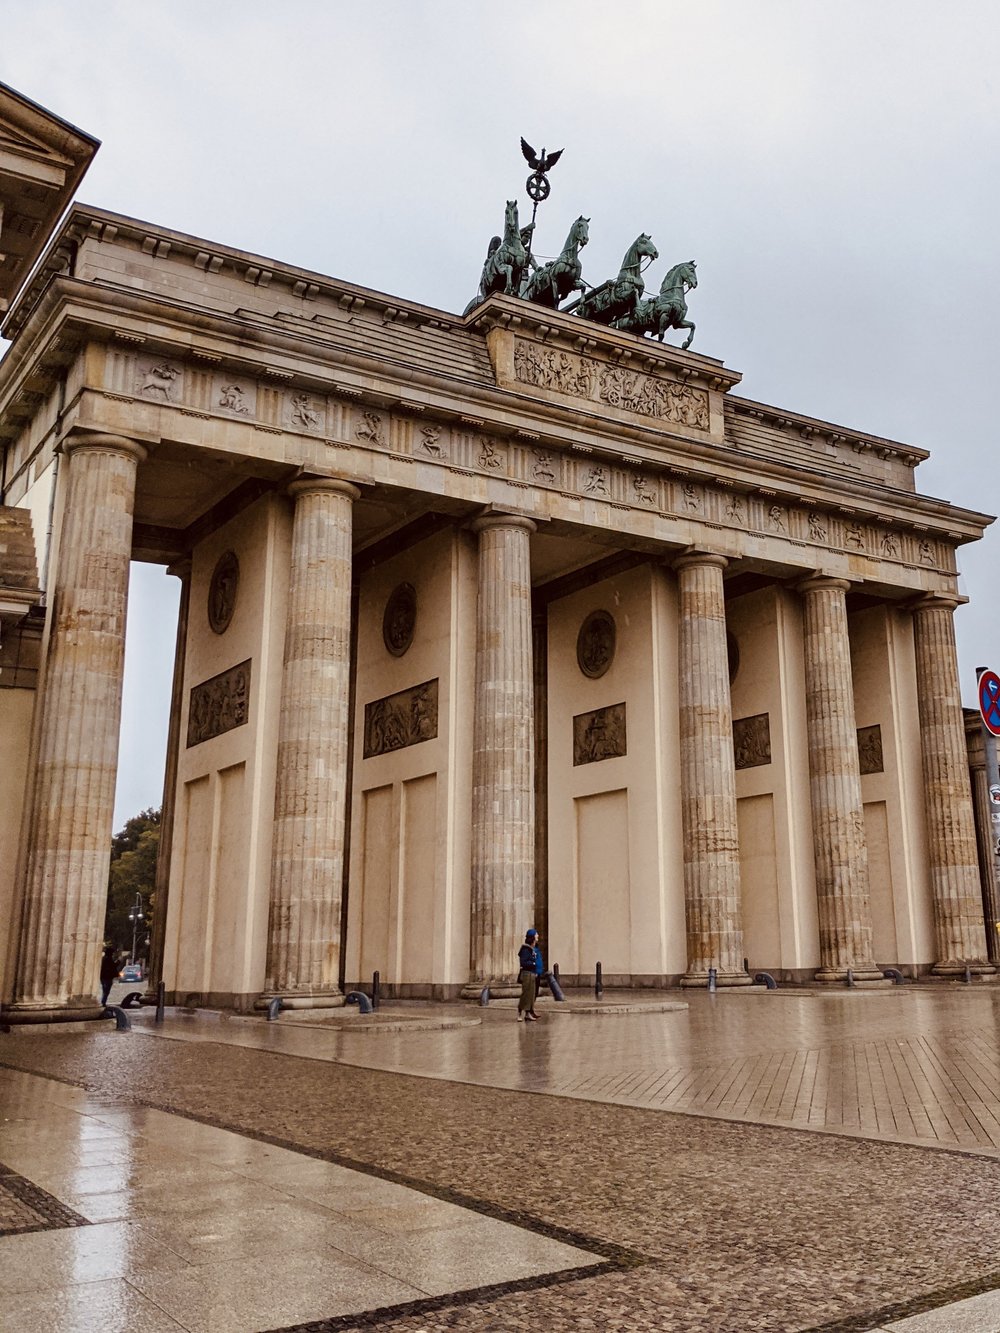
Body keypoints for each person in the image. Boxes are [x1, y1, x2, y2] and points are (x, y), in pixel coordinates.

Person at [517, 928, 541, 1022]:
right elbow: (524, 962)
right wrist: (534, 964)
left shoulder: (533, 948)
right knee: (525, 994)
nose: (538, 935)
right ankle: (519, 1012)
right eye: (536, 934)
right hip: (527, 974)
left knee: (531, 995)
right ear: (532, 937)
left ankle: (528, 1013)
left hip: (532, 974)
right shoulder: (525, 949)